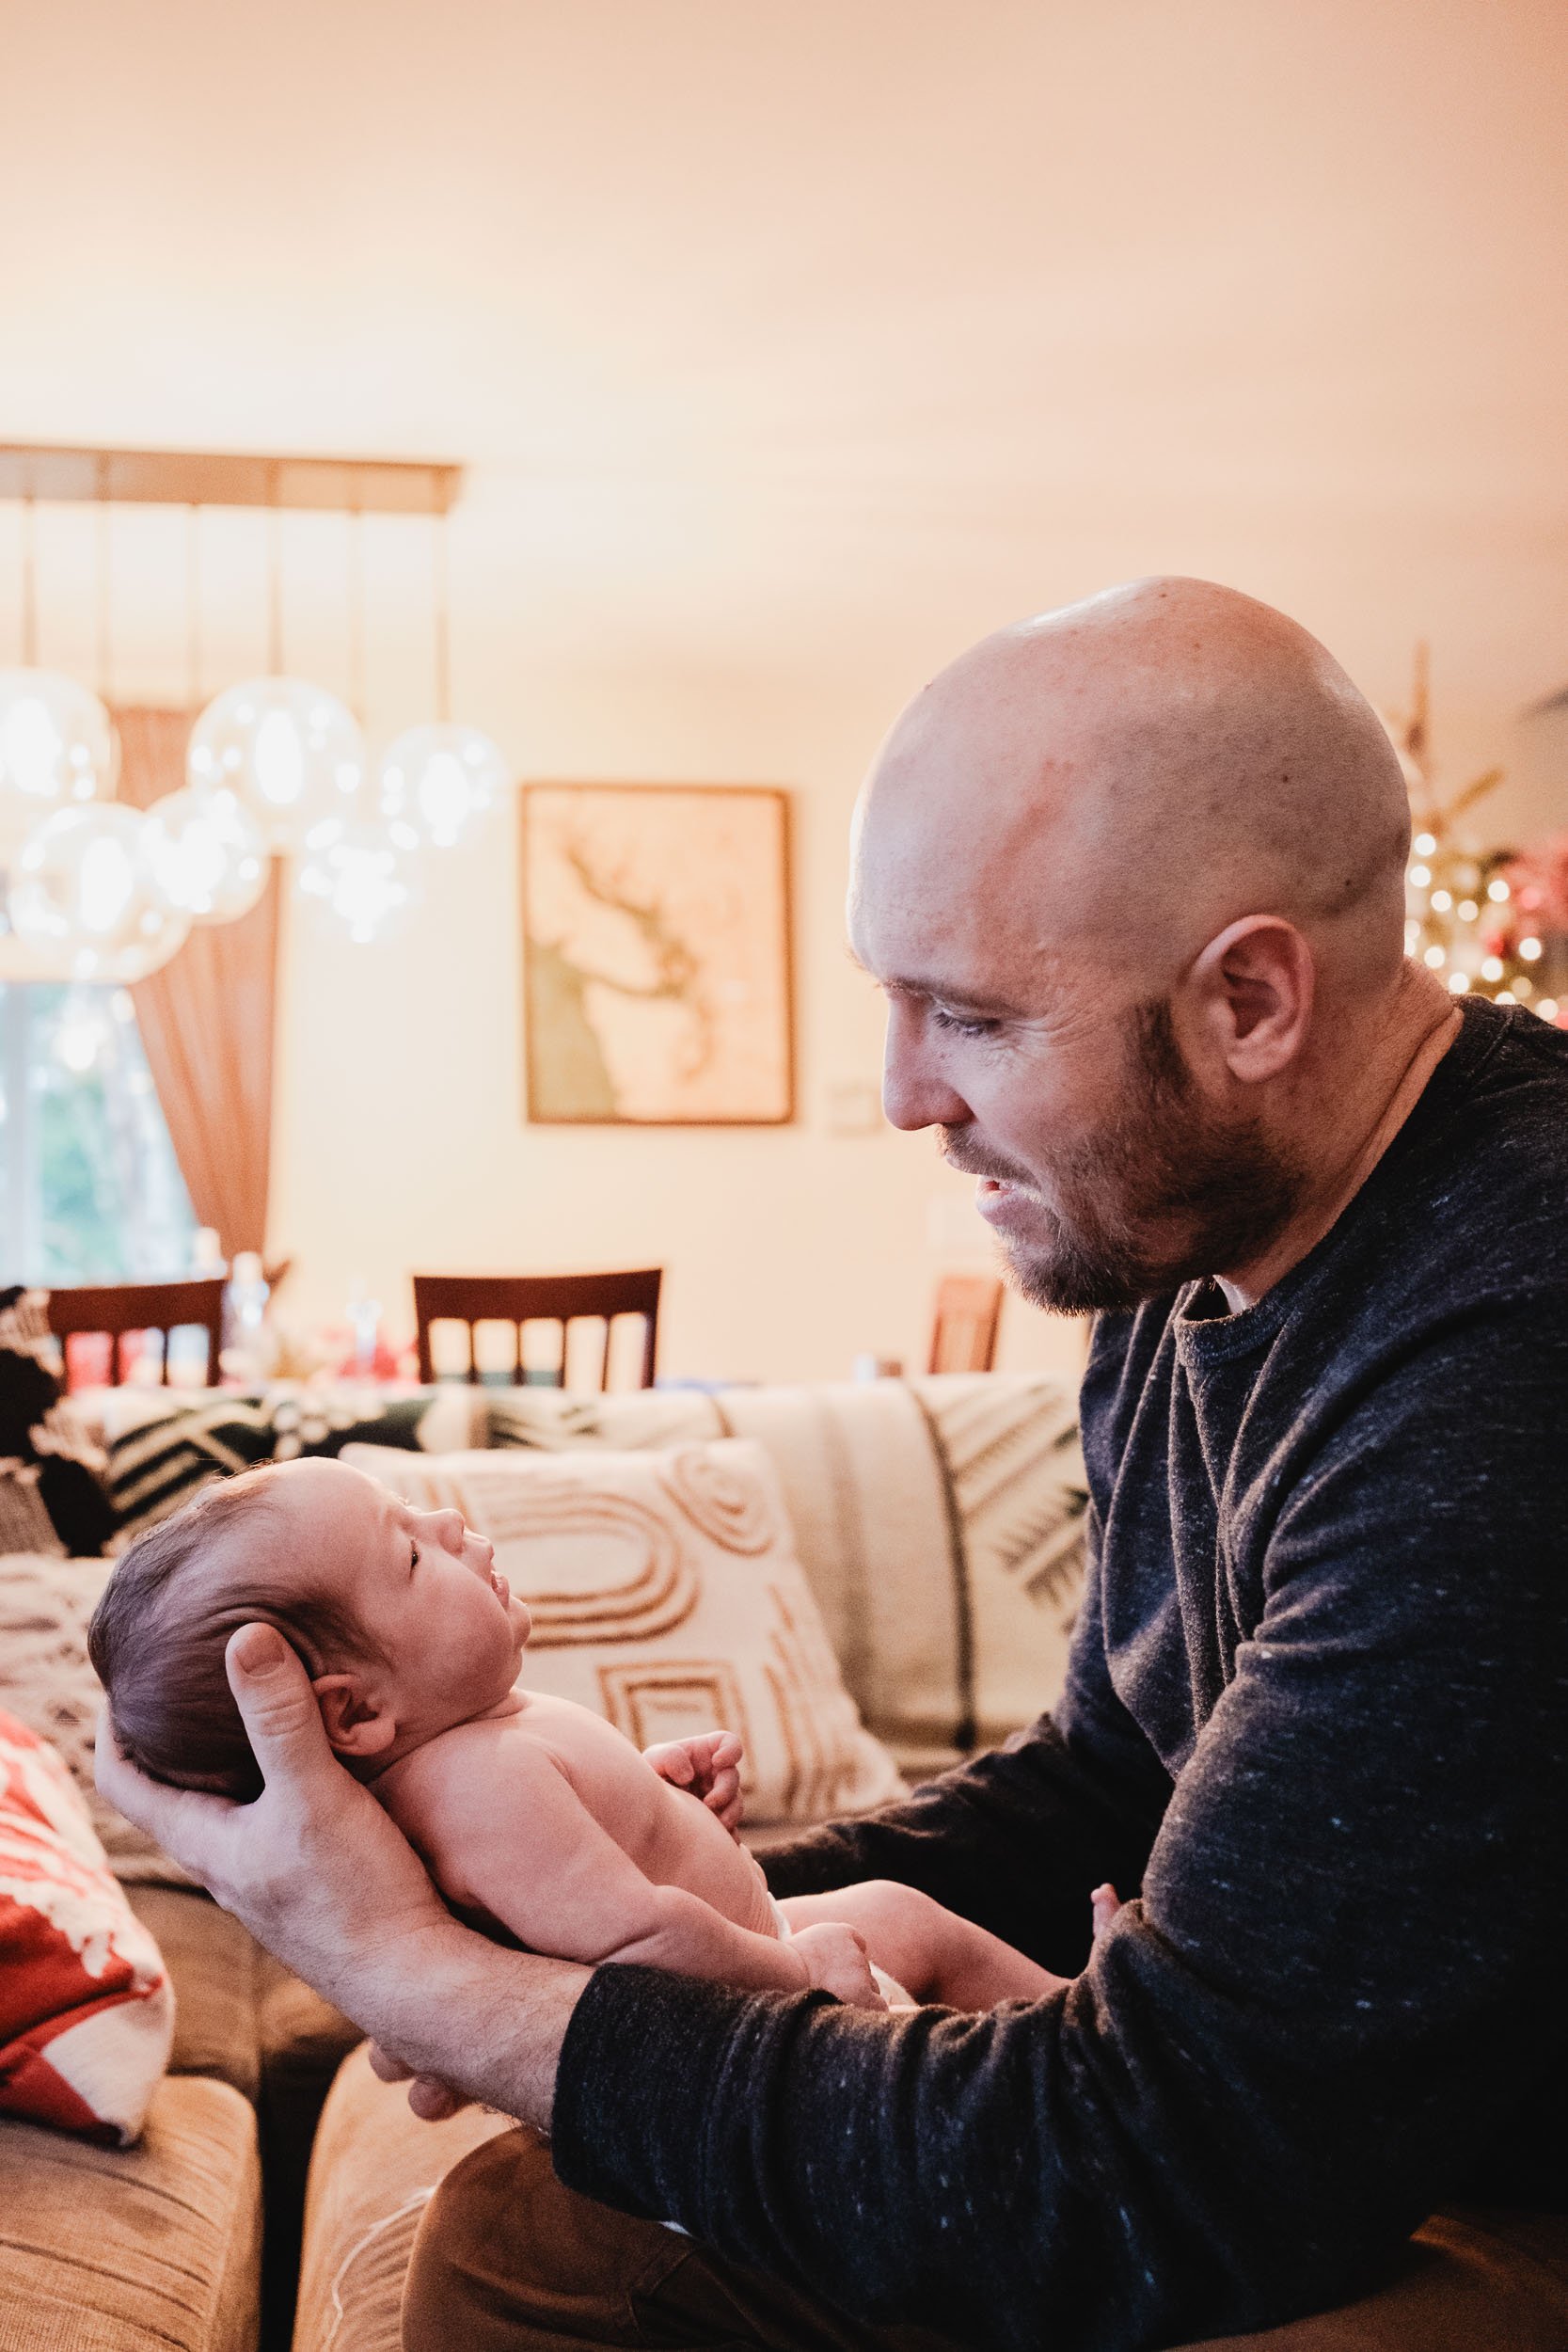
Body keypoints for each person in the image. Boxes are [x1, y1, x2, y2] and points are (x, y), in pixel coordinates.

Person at [99, 577, 1568, 2351]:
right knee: (551, 2201)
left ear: (1251, 997)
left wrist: (432, 1979)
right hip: (1328, 2132)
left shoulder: (1503, 1344)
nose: (897, 1096)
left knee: (552, 2241)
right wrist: (628, 1894)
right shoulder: (1189, 1250)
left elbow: (1157, 2169)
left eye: (975, 1018)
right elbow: (1112, 1777)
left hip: (1473, 2185)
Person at [88, 1456, 1102, 2010]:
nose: (444, 1520)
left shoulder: (477, 1756)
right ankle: (1094, 2041)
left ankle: (1079, 2027)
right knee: (904, 1929)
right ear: (356, 1711)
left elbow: (553, 1895)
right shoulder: (476, 1783)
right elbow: (630, 1941)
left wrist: (648, 1805)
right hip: (750, 2019)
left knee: (897, 1906)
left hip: (749, 1965)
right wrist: (797, 1974)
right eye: (404, 1552)